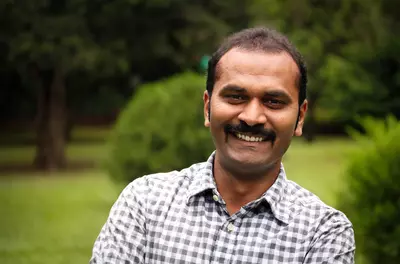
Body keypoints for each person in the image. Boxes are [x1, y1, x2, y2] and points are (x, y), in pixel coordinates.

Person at [90, 27, 355, 264]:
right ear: (207, 108)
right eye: (236, 97)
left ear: (300, 117)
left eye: (273, 101)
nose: (251, 117)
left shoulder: (323, 233)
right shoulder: (144, 204)